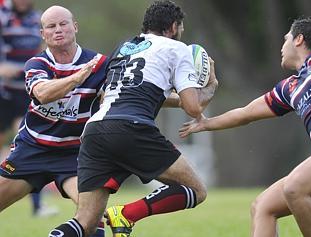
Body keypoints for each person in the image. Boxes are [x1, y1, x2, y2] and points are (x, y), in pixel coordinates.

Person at [49, 1, 218, 237]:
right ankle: (127, 214)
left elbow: (121, 93)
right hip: (131, 127)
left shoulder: (125, 47)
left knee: (85, 222)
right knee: (196, 190)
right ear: (172, 27)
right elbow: (192, 107)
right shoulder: (177, 48)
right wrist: (210, 86)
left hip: (95, 131)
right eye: (180, 28)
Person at [179, 17, 311, 237]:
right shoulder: (291, 87)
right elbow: (246, 113)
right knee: (263, 207)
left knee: (294, 187)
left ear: (299, 39)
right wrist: (205, 124)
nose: (282, 46)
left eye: (286, 39)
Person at [0, 5, 108, 237]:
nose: (58, 30)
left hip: (74, 154)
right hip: (32, 150)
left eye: (63, 24)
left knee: (93, 214)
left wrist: (179, 99)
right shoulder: (37, 64)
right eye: (51, 26)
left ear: (75, 26)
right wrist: (77, 77)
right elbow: (43, 93)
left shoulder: (99, 64)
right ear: (43, 34)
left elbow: (126, 92)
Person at [0, 0, 58, 217]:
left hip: (25, 92)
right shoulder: (3, 15)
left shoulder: (37, 19)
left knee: (29, 143)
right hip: (2, 92)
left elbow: (43, 48)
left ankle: (37, 206)